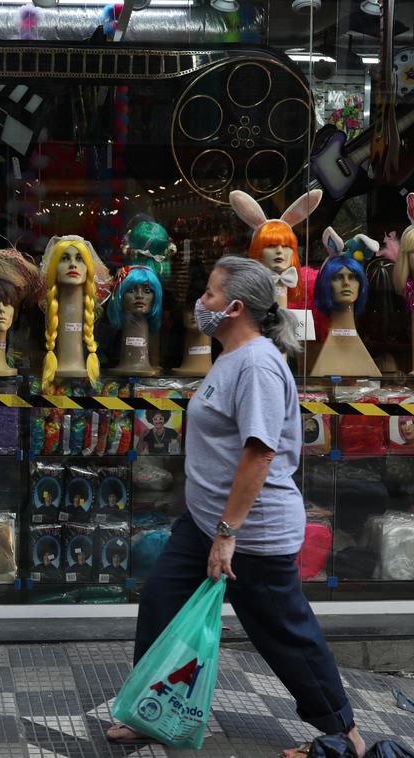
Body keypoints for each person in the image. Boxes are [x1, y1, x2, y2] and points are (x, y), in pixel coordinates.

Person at [106, 257, 365, 757]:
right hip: (206, 521)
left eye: (208, 294)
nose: (200, 303)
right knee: (162, 598)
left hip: (250, 532)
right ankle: (150, 711)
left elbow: (260, 451)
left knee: (282, 632)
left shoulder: (259, 365)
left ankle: (344, 733)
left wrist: (228, 533)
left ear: (235, 307)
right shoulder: (230, 356)